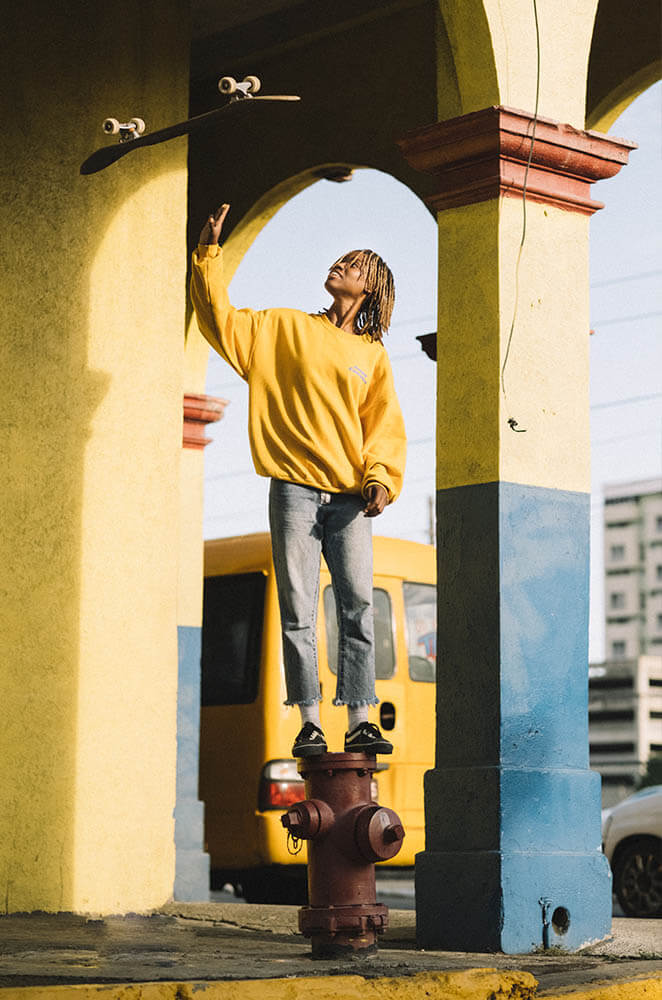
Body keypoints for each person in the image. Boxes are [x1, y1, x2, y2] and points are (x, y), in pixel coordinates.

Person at [191, 204, 406, 757]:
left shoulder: (371, 355)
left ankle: (360, 717)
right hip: (292, 489)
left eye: (354, 266)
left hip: (350, 498)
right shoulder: (283, 327)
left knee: (357, 604)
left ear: (372, 288)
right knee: (298, 605)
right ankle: (309, 721)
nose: (340, 265)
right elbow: (220, 320)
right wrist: (209, 256)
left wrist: (381, 479)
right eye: (341, 260)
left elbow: (382, 426)